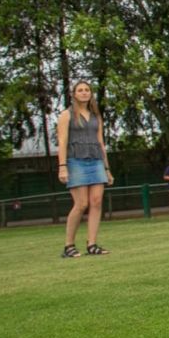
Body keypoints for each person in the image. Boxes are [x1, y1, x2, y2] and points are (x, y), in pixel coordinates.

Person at [57, 80, 114, 258]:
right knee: (81, 204)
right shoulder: (66, 115)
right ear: (74, 94)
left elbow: (101, 142)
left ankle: (92, 243)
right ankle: (69, 245)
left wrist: (107, 168)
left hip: (96, 160)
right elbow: (62, 141)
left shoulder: (96, 116)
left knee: (96, 202)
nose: (84, 93)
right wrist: (62, 166)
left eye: (87, 90)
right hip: (76, 160)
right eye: (80, 90)